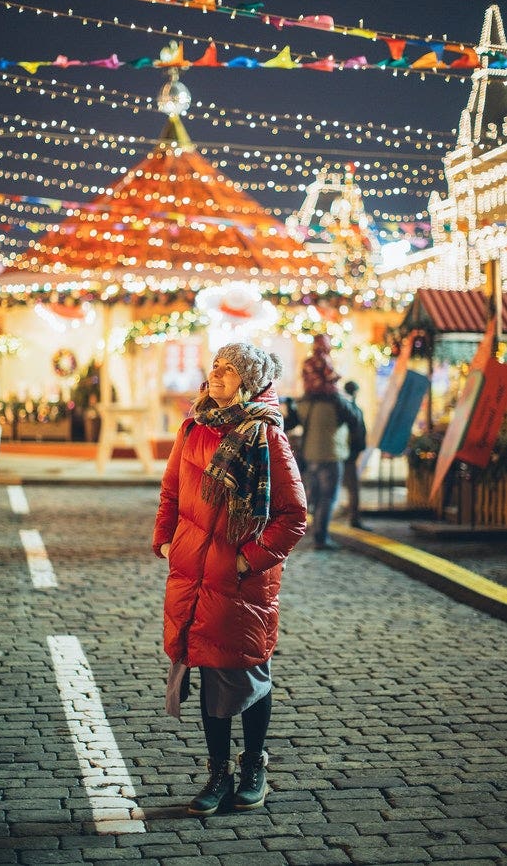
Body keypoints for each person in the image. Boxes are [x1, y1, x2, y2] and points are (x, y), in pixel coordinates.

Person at [153, 343, 307, 817]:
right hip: (193, 571)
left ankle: (253, 766)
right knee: (204, 662)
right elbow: (172, 490)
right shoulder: (195, 426)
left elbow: (293, 516)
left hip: (241, 582)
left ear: (249, 381)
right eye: (216, 367)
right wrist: (165, 540)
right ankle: (218, 772)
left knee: (246, 668)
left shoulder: (266, 435)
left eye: (229, 370)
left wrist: (247, 561)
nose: (217, 375)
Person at [285, 336, 359, 550]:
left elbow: (290, 423)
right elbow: (355, 421)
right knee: (328, 497)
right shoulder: (338, 401)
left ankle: (312, 531)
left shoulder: (303, 402)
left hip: (309, 454)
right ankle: (320, 537)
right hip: (331, 454)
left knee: (315, 497)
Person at [342, 380, 370, 530]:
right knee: (353, 488)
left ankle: (353, 517)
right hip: (348, 453)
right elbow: (358, 431)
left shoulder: (348, 407)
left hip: (348, 452)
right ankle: (354, 518)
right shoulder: (350, 409)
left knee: (351, 488)